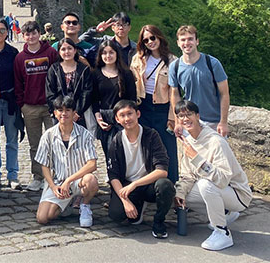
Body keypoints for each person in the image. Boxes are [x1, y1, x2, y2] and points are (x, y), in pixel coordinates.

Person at [174, 100, 251, 251]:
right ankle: (225, 213)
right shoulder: (188, 142)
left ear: (197, 116)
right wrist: (179, 193)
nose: (185, 119)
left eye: (189, 114)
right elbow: (187, 175)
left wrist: (197, 158)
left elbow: (222, 180)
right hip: (219, 191)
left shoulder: (216, 141)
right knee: (180, 192)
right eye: (181, 116)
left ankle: (222, 232)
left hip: (237, 194)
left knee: (205, 185)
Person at [107, 100, 175, 239]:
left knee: (165, 185)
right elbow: (113, 175)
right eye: (122, 115)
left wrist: (136, 184)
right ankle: (137, 204)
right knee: (116, 215)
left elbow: (162, 170)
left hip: (147, 184)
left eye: (130, 114)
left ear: (138, 114)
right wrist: (125, 201)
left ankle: (159, 221)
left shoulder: (151, 135)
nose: (127, 119)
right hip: (127, 185)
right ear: (117, 119)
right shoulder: (116, 140)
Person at [35, 96, 99, 228]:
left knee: (91, 180)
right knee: (43, 218)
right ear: (54, 113)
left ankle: (85, 205)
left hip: (78, 181)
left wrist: (69, 180)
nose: (64, 113)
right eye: (60, 110)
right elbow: (44, 165)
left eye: (68, 110)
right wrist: (53, 186)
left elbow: (92, 164)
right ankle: (67, 205)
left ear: (74, 112)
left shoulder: (85, 134)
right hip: (58, 182)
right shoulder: (48, 135)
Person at [14, 20, 58, 191]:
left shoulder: (51, 52)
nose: (31, 37)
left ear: (39, 34)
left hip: (50, 106)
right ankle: (38, 176)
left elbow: (57, 76)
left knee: (54, 143)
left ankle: (53, 176)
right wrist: (22, 104)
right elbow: (18, 82)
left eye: (34, 33)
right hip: (30, 106)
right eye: (27, 34)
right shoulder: (20, 58)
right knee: (35, 145)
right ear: (23, 36)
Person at [130, 25, 179, 182]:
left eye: (153, 38)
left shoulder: (172, 61)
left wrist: (173, 117)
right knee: (144, 147)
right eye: (146, 40)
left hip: (162, 108)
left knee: (168, 148)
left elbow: (174, 91)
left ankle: (172, 187)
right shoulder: (138, 58)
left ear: (159, 37)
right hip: (143, 106)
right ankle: (146, 187)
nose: (150, 42)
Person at [169, 25, 230, 137]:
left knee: (217, 154)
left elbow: (224, 94)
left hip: (214, 122)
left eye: (190, 39)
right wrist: (178, 122)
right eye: (183, 40)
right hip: (189, 121)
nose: (187, 43)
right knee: (193, 155)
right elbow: (175, 95)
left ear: (197, 41)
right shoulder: (175, 67)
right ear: (178, 43)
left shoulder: (212, 63)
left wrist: (223, 122)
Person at [0, 18, 21, 190]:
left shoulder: (14, 53)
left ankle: (13, 175)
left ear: (7, 32)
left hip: (9, 99)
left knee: (12, 140)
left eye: (2, 30)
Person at [91, 41, 136, 156]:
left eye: (111, 52)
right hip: (104, 116)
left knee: (126, 152)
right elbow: (94, 98)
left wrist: (125, 117)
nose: (108, 56)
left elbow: (132, 99)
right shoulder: (96, 74)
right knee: (109, 153)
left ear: (117, 54)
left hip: (123, 117)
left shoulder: (126, 73)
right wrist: (98, 117)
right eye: (104, 53)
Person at [45, 38, 93, 129]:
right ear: (59, 52)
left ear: (75, 50)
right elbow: (50, 92)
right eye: (63, 49)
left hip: (79, 115)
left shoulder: (84, 69)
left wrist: (77, 112)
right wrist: (58, 111)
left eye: (69, 48)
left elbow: (87, 92)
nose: (67, 52)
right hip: (59, 115)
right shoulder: (54, 69)